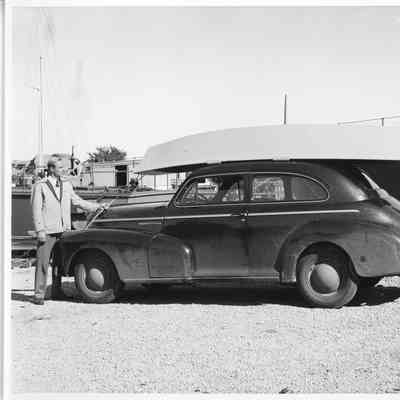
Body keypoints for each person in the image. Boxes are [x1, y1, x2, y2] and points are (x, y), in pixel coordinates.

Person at [31, 156, 106, 305]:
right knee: (43, 263)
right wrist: (40, 230)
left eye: (64, 167)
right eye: (60, 168)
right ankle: (39, 295)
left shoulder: (66, 184)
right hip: (47, 231)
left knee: (59, 264)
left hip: (63, 230)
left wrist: (97, 207)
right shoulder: (40, 186)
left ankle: (57, 292)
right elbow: (36, 210)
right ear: (51, 169)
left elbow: (77, 201)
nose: (64, 170)